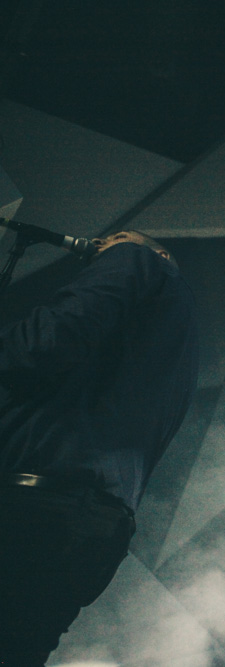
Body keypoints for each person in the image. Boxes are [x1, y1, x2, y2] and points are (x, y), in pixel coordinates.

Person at [0, 230, 199, 665]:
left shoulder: (141, 261)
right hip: (93, 526)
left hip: (37, 505)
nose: (101, 243)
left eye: (118, 238)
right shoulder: (176, 339)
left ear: (160, 254)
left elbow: (41, 344)